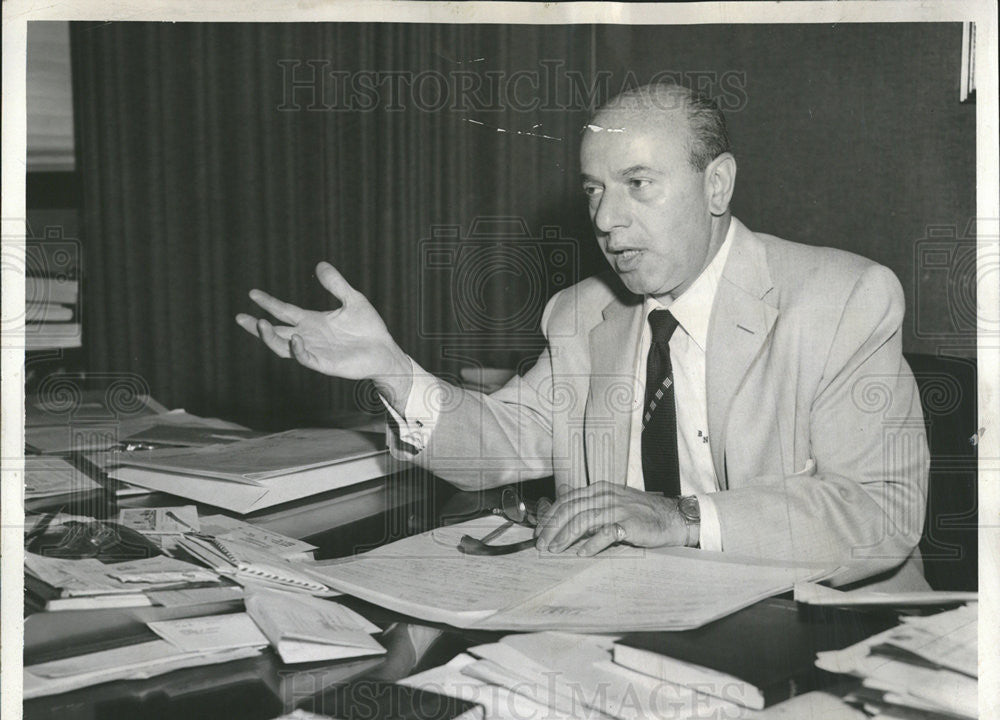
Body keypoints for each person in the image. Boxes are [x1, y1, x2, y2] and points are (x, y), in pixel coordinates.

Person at [236, 83, 930, 591]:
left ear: (716, 186)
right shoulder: (582, 313)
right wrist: (390, 368)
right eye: (595, 190)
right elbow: (503, 444)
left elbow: (880, 513)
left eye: (637, 184)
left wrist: (681, 518)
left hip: (820, 633)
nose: (605, 219)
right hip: (631, 619)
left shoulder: (842, 299)